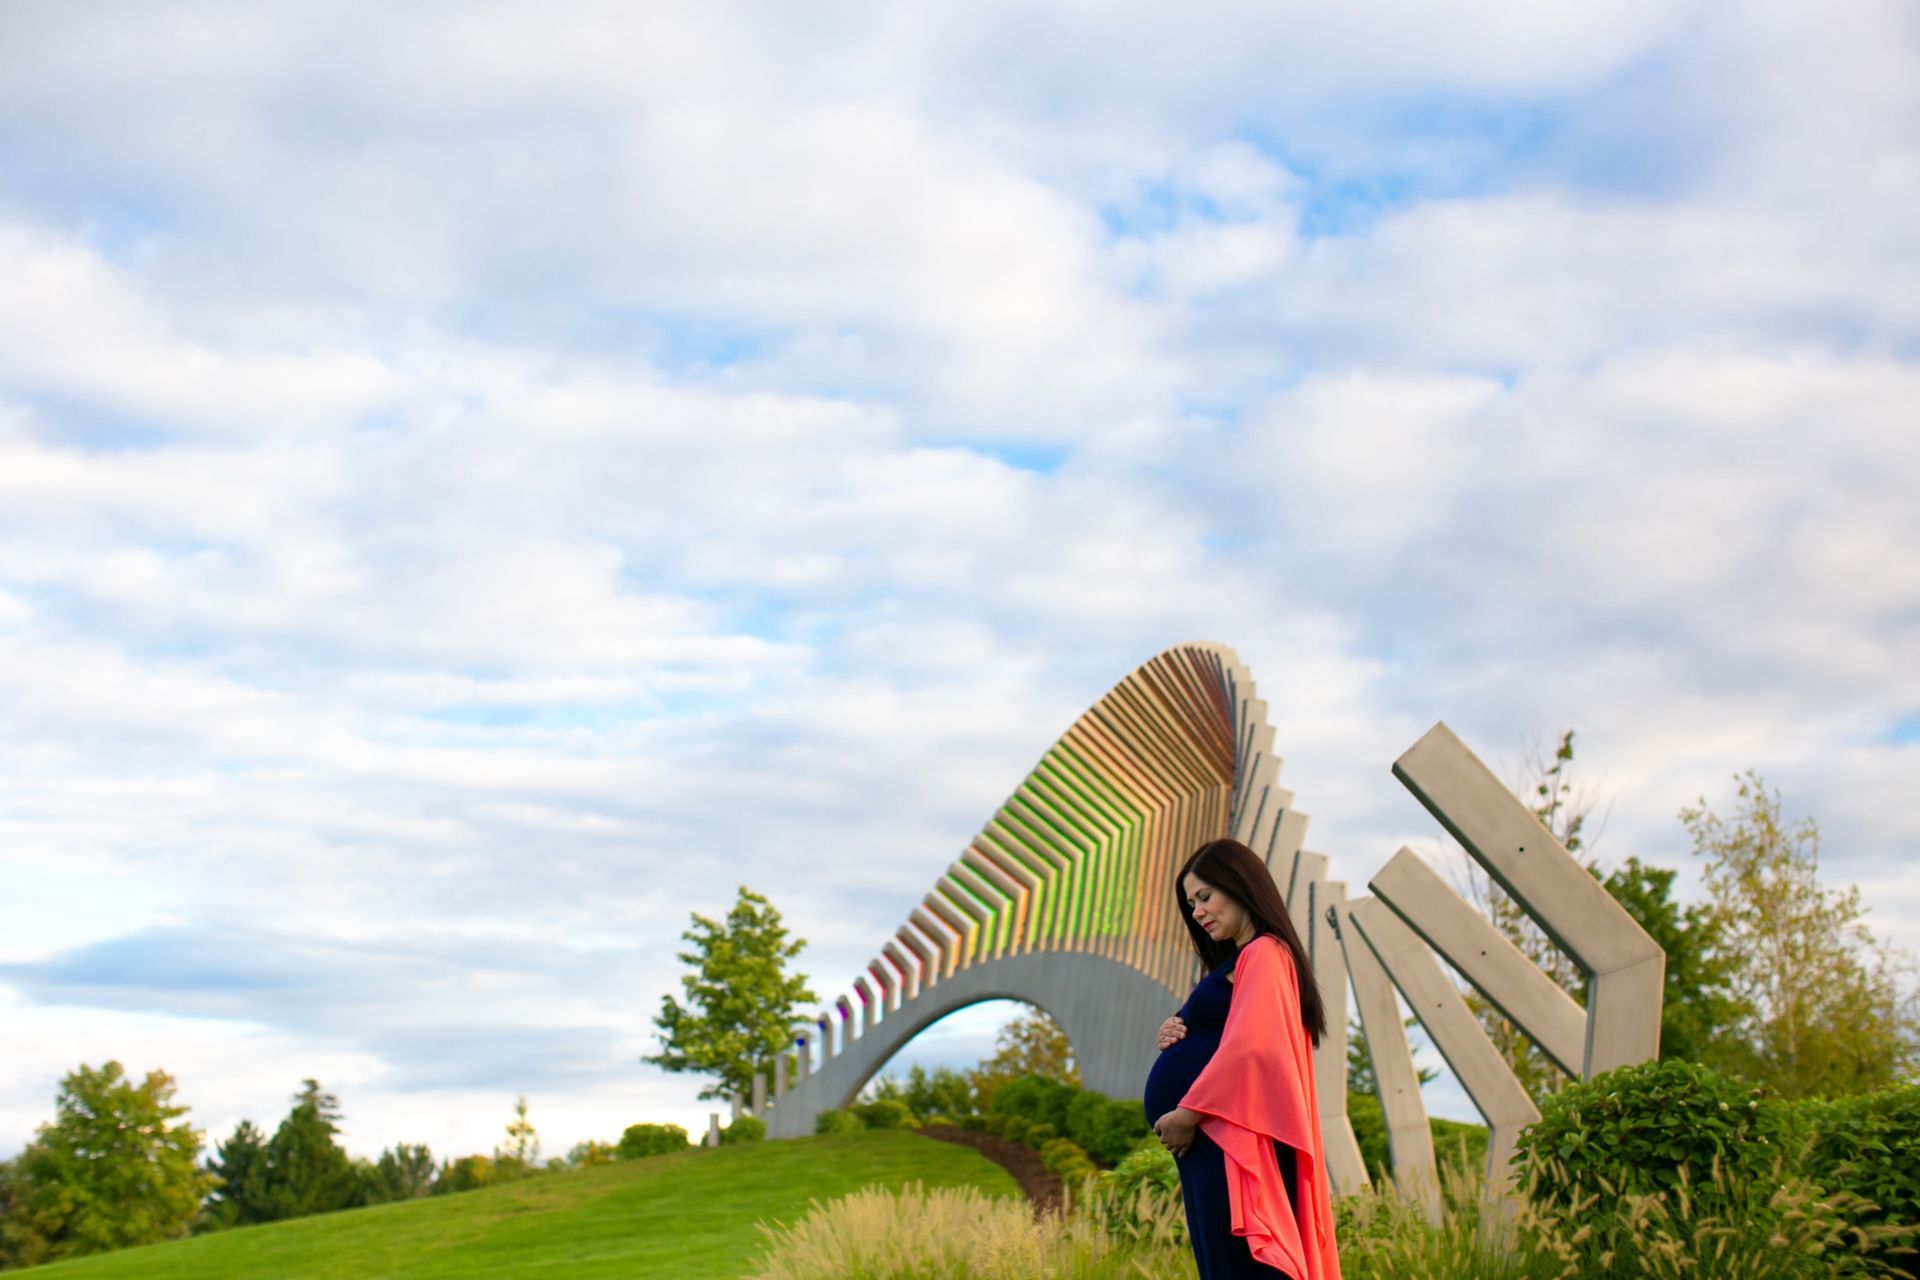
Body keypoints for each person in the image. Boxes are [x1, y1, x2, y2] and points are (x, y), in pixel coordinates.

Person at [1142, 837, 1341, 1280]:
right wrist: (1179, 1027)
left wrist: (1188, 1114)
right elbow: (1233, 1030)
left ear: (1239, 884)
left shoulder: (1265, 952)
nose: (1196, 911)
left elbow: (1254, 1045)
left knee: (1241, 1267)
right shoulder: (1247, 958)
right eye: (1192, 902)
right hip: (1214, 1139)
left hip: (1226, 1139)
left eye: (1204, 896)